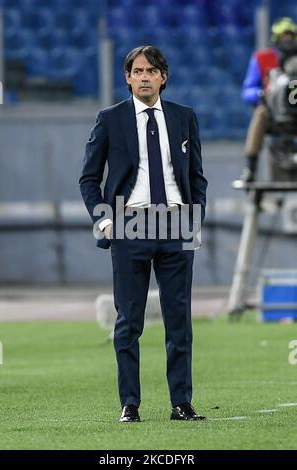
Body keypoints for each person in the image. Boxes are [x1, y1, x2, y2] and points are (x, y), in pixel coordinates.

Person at [79, 45, 208, 422]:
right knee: (129, 320)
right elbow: (89, 178)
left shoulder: (184, 117)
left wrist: (194, 220)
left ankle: (181, 404)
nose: (144, 77)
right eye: (137, 71)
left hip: (175, 222)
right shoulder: (110, 119)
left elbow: (197, 176)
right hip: (129, 223)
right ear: (127, 78)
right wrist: (105, 221)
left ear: (163, 77)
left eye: (151, 70)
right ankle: (129, 405)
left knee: (179, 318)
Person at [240, 17, 297, 182]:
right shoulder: (262, 58)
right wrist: (261, 95)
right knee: (260, 114)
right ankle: (251, 167)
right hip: (274, 113)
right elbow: (247, 90)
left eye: (290, 37)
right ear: (275, 39)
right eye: (283, 37)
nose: (287, 41)